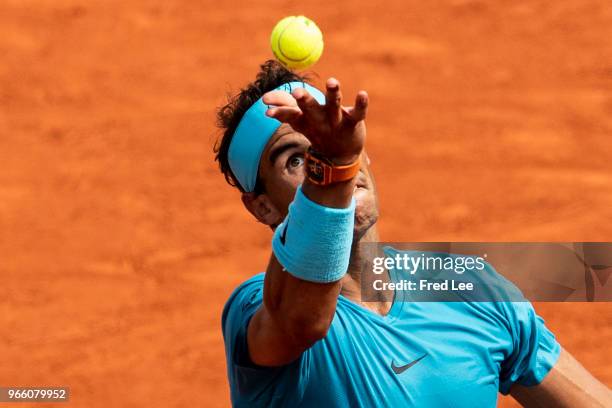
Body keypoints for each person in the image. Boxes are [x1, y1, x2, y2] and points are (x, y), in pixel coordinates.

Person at [214, 60, 611, 407]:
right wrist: (333, 168)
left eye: (328, 143)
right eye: (297, 159)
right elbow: (301, 322)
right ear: (262, 206)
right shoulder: (256, 309)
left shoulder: (466, 288)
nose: (322, 161)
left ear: (362, 155)